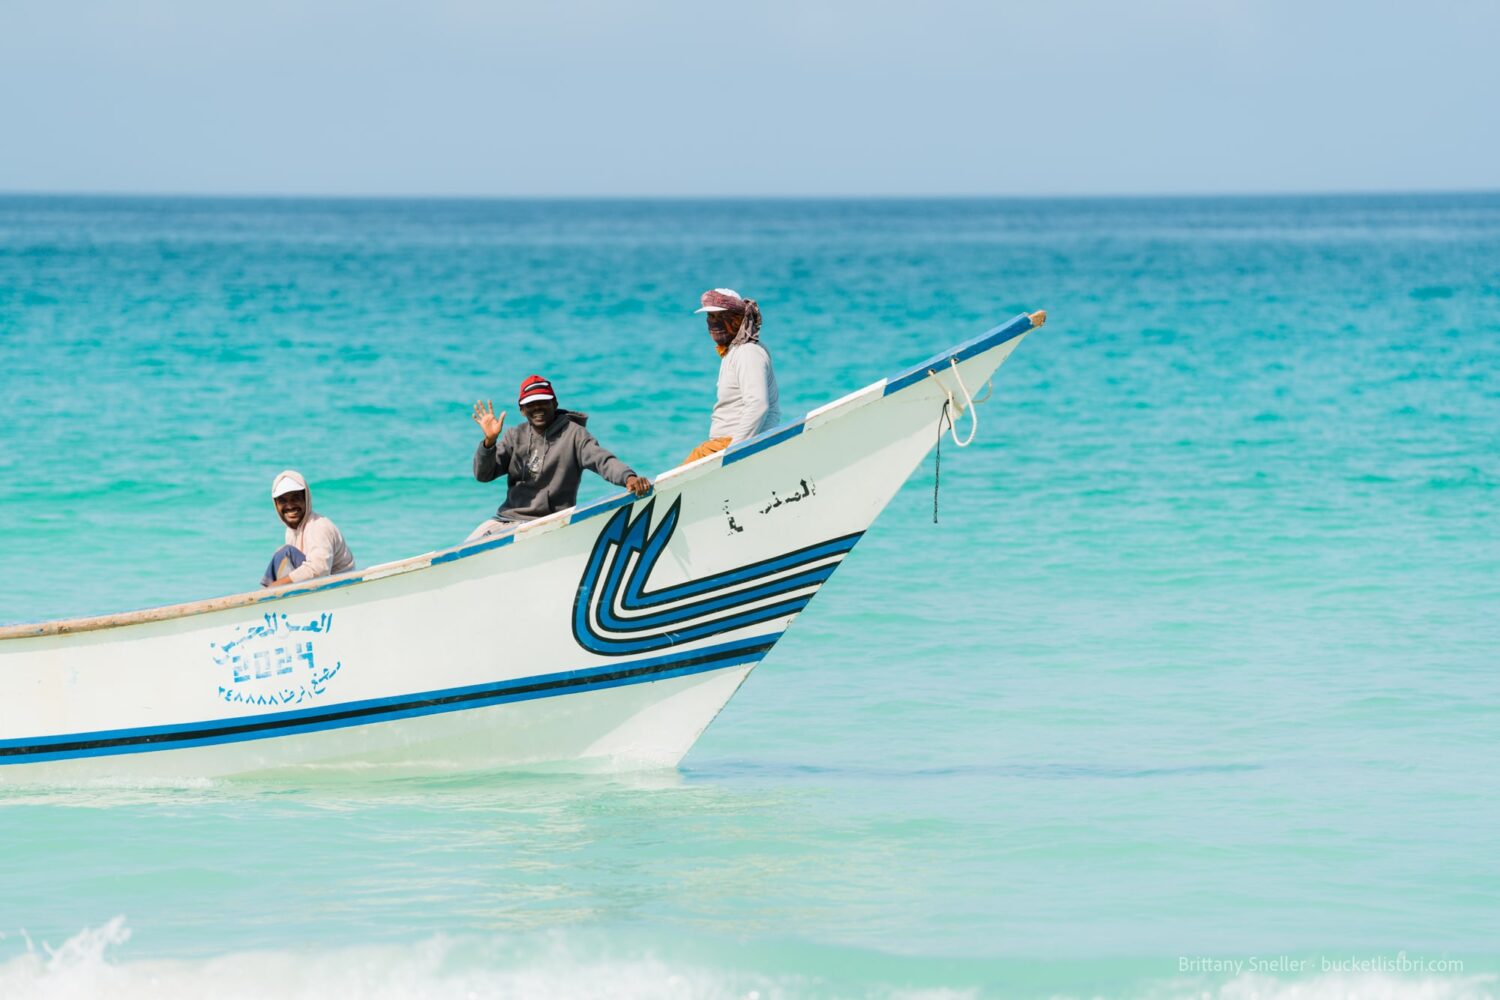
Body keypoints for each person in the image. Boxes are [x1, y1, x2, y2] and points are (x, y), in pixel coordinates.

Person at [467, 374, 652, 541]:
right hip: (506, 520)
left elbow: (601, 460)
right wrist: (489, 442)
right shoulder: (514, 436)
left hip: (549, 522)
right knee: (463, 553)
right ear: (522, 410)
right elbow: (483, 475)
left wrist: (629, 478)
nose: (537, 408)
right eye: (531, 404)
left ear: (554, 404)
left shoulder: (574, 434)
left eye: (543, 402)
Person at [683, 287, 781, 463]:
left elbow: (758, 405)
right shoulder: (733, 351)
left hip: (731, 445)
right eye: (710, 317)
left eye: (720, 317)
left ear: (736, 320)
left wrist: (732, 454)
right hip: (721, 445)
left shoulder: (747, 352)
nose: (713, 323)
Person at [261, 470, 356, 587]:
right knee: (280, 554)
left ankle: (267, 596)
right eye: (283, 501)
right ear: (276, 504)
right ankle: (267, 597)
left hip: (341, 588)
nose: (290, 506)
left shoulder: (319, 526)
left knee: (285, 553)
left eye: (295, 498)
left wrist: (276, 585)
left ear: (306, 499)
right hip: (321, 588)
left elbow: (319, 569)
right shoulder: (290, 532)